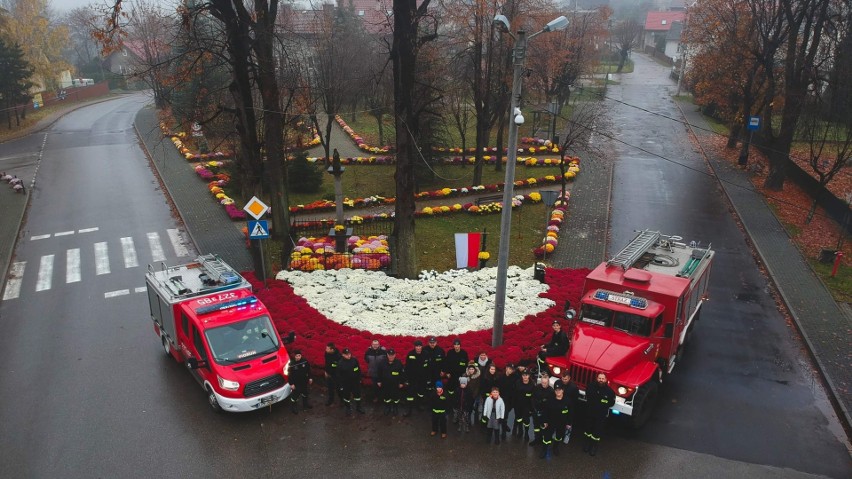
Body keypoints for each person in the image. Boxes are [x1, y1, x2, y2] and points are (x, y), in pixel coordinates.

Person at [583, 372, 616, 456]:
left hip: (600, 415)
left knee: (597, 431)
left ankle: (594, 446)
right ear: (597, 379)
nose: (601, 380)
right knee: (588, 429)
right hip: (590, 412)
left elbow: (611, 403)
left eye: (603, 378)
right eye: (599, 378)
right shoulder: (590, 386)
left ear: (606, 380)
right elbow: (587, 395)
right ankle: (587, 444)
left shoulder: (610, 392)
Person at [540, 384, 571, 458]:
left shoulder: (567, 401)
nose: (558, 391)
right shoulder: (550, 400)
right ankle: (544, 450)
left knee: (559, 436)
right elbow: (545, 411)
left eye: (559, 390)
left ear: (563, 390)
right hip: (551, 422)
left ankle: (555, 447)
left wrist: (569, 423)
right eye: (556, 390)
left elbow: (570, 412)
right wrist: (545, 421)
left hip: (561, 423)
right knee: (547, 437)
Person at [403, 339, 429, 416]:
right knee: (410, 394)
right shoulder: (410, 354)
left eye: (419, 346)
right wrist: (406, 379)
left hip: (422, 378)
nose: (418, 348)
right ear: (414, 347)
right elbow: (407, 367)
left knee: (421, 393)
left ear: (422, 346)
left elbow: (428, 367)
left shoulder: (426, 354)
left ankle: (419, 405)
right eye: (417, 346)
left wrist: (428, 378)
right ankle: (409, 409)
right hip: (412, 378)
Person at [337, 348, 365, 416]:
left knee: (357, 395)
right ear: (343, 355)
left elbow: (358, 370)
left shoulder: (354, 360)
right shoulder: (340, 363)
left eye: (349, 354)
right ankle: (348, 408)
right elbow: (339, 375)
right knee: (346, 396)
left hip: (355, 382)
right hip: (346, 384)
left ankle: (358, 407)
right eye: (346, 355)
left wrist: (359, 379)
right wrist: (341, 385)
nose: (349, 356)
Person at [553, 370, 580, 442]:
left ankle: (567, 434)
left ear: (569, 378)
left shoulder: (573, 387)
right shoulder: (557, 383)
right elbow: (555, 393)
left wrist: (571, 407)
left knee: (568, 422)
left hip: (569, 406)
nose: (564, 381)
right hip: (558, 404)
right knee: (557, 419)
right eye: (563, 379)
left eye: (566, 379)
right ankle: (556, 433)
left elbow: (575, 399)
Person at [377, 348, 405, 416]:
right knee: (386, 397)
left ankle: (395, 408)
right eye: (389, 355)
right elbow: (379, 372)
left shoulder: (398, 363)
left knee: (395, 397)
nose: (391, 356)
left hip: (395, 384)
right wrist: (379, 381)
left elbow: (402, 374)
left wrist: (401, 382)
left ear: (395, 355)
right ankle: (387, 407)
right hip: (385, 384)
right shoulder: (382, 362)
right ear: (387, 355)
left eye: (392, 355)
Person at [530, 371, 555, 446]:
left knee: (544, 428)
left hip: (544, 413)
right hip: (536, 411)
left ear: (548, 382)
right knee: (536, 427)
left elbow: (550, 405)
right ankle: (537, 439)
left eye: (545, 383)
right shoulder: (537, 387)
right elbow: (532, 398)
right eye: (542, 382)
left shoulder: (551, 391)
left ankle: (543, 441)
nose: (543, 384)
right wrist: (533, 408)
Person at [496, 364, 518, 440]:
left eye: (512, 369)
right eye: (509, 369)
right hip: (501, 399)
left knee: (505, 415)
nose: (510, 370)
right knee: (502, 415)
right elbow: (497, 387)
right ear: (506, 368)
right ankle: (504, 430)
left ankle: (504, 427)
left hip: (509, 400)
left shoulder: (514, 378)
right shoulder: (501, 377)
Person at [513, 369, 535, 440]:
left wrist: (532, 408)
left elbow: (533, 397)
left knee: (526, 420)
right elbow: (515, 394)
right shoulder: (518, 383)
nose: (525, 377)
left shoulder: (532, 384)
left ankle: (526, 433)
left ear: (529, 376)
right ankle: (520, 431)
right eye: (523, 375)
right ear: (522, 376)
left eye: (526, 375)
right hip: (518, 405)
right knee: (519, 419)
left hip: (527, 406)